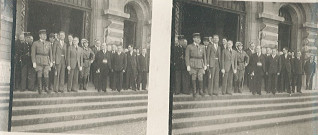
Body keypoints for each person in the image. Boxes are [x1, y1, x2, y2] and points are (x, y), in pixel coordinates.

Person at [31, 29, 53, 94]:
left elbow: (50, 53)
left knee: (46, 74)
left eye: (45, 35)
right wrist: (34, 62)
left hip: (46, 61)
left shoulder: (48, 43)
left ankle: (46, 88)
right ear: (39, 35)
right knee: (39, 74)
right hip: (39, 61)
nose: (44, 36)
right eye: (43, 35)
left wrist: (51, 61)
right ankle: (40, 88)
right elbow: (33, 53)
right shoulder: (35, 43)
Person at [185, 33, 206, 98]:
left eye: (199, 38)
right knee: (193, 77)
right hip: (193, 64)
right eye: (197, 38)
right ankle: (194, 91)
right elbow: (187, 56)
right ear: (193, 39)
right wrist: (188, 65)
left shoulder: (202, 47)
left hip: (200, 64)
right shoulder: (189, 46)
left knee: (200, 77)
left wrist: (205, 64)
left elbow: (204, 56)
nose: (198, 39)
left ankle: (200, 91)